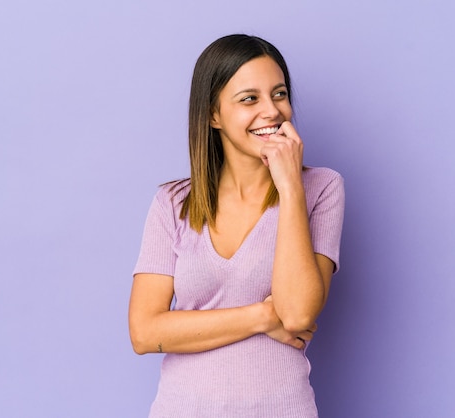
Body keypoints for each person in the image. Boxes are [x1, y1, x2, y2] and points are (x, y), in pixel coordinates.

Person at [129, 34, 345, 418]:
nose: (272, 111)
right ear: (214, 115)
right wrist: (261, 317)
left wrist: (290, 187)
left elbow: (296, 316)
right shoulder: (173, 203)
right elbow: (145, 333)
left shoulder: (321, 188)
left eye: (279, 94)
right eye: (250, 99)